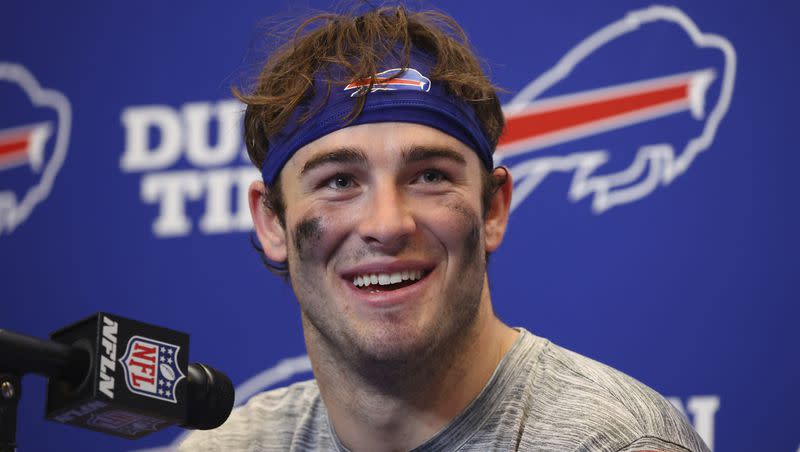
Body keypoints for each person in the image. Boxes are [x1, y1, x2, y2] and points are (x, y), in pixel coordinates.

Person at [181, 5, 709, 452]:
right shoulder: (231, 444)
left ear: (493, 209)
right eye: (339, 180)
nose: (387, 224)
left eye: (430, 176)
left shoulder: (613, 443)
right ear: (272, 222)